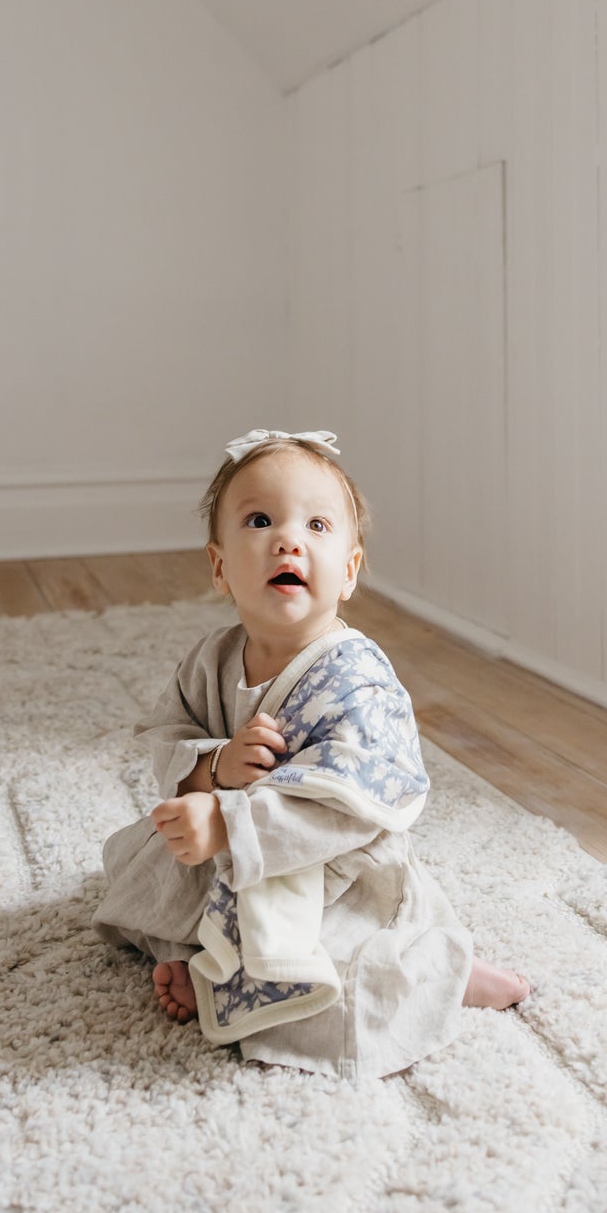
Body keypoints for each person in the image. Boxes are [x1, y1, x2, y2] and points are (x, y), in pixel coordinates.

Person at [92, 428, 530, 1078]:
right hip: (229, 848)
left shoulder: (357, 677)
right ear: (220, 566)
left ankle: (445, 970)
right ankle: (203, 959)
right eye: (259, 521)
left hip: (325, 864)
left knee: (334, 966)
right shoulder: (210, 659)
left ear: (349, 571)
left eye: (317, 525)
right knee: (140, 873)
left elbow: (350, 805)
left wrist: (230, 823)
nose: (288, 541)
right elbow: (165, 734)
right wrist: (214, 768)